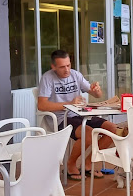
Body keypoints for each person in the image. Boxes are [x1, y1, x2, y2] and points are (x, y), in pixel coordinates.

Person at [37, 50, 117, 181]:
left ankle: (88, 163)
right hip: (60, 118)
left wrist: (96, 90)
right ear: (53, 67)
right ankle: (71, 164)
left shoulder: (75, 75)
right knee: (89, 134)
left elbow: (97, 95)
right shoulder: (48, 78)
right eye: (62, 67)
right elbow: (42, 105)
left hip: (81, 113)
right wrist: (68, 104)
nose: (67, 69)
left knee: (113, 129)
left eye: (68, 65)